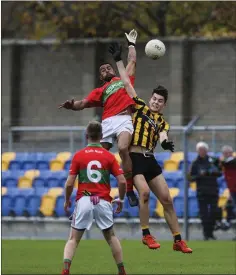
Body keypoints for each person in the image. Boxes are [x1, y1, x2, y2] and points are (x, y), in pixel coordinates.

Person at [108, 42, 192, 253]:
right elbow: (126, 83)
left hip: (150, 159)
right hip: (134, 158)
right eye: (154, 98)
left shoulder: (163, 122)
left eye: (159, 100)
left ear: (164, 105)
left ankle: (177, 240)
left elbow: (163, 136)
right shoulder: (139, 107)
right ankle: (146, 234)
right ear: (150, 99)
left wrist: (165, 142)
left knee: (167, 199)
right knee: (144, 193)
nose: (155, 102)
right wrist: (119, 59)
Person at [59, 30, 139, 207]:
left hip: (124, 119)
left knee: (123, 148)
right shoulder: (100, 91)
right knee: (99, 158)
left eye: (108, 67)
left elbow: (132, 61)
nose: (106, 69)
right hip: (107, 124)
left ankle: (130, 189)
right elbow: (83, 103)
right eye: (102, 70)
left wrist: (131, 44)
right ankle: (96, 193)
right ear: (100, 77)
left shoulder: (124, 80)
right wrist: (71, 106)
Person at [61, 121, 127, 275]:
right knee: (111, 237)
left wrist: (67, 200)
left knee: (73, 239)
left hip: (84, 200)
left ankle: (65, 270)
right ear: (102, 136)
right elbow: (122, 181)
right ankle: (122, 270)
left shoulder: (79, 156)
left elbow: (69, 183)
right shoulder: (109, 156)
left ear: (86, 136)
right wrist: (121, 200)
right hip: (103, 201)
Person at [190, 142, 221, 240]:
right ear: (197, 151)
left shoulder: (213, 160)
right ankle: (206, 234)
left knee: (213, 212)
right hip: (201, 191)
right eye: (200, 150)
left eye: (203, 149)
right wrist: (200, 175)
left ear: (207, 150)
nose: (201, 151)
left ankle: (211, 232)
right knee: (204, 214)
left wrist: (211, 173)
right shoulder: (195, 162)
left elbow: (220, 172)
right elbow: (190, 177)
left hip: (213, 190)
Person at [220, 145, 236, 240]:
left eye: (228, 153)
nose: (226, 155)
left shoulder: (232, 162)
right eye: (225, 153)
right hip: (232, 190)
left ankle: (227, 223)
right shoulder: (226, 164)